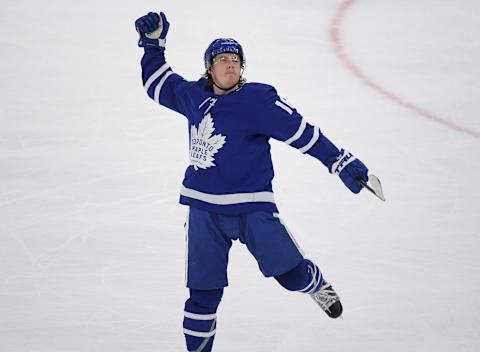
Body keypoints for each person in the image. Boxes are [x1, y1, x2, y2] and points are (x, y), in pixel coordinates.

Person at [135, 11, 369, 352]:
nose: (230, 65)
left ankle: (316, 284)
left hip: (252, 209)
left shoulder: (259, 101)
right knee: (202, 296)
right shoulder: (193, 96)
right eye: (222, 59)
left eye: (235, 60)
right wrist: (152, 45)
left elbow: (303, 134)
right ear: (209, 68)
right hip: (204, 211)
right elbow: (157, 84)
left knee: (291, 277)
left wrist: (339, 160)